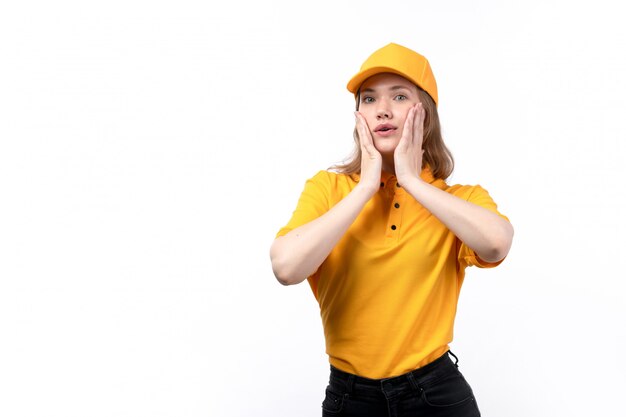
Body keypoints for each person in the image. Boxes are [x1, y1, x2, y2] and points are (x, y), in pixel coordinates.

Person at [270, 43, 513, 417]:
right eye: (368, 99)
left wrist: (413, 182)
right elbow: (286, 268)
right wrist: (366, 186)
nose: (382, 109)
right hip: (349, 398)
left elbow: (496, 244)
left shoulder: (458, 200)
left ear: (425, 116)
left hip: (436, 395)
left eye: (399, 96)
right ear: (358, 118)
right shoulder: (328, 190)